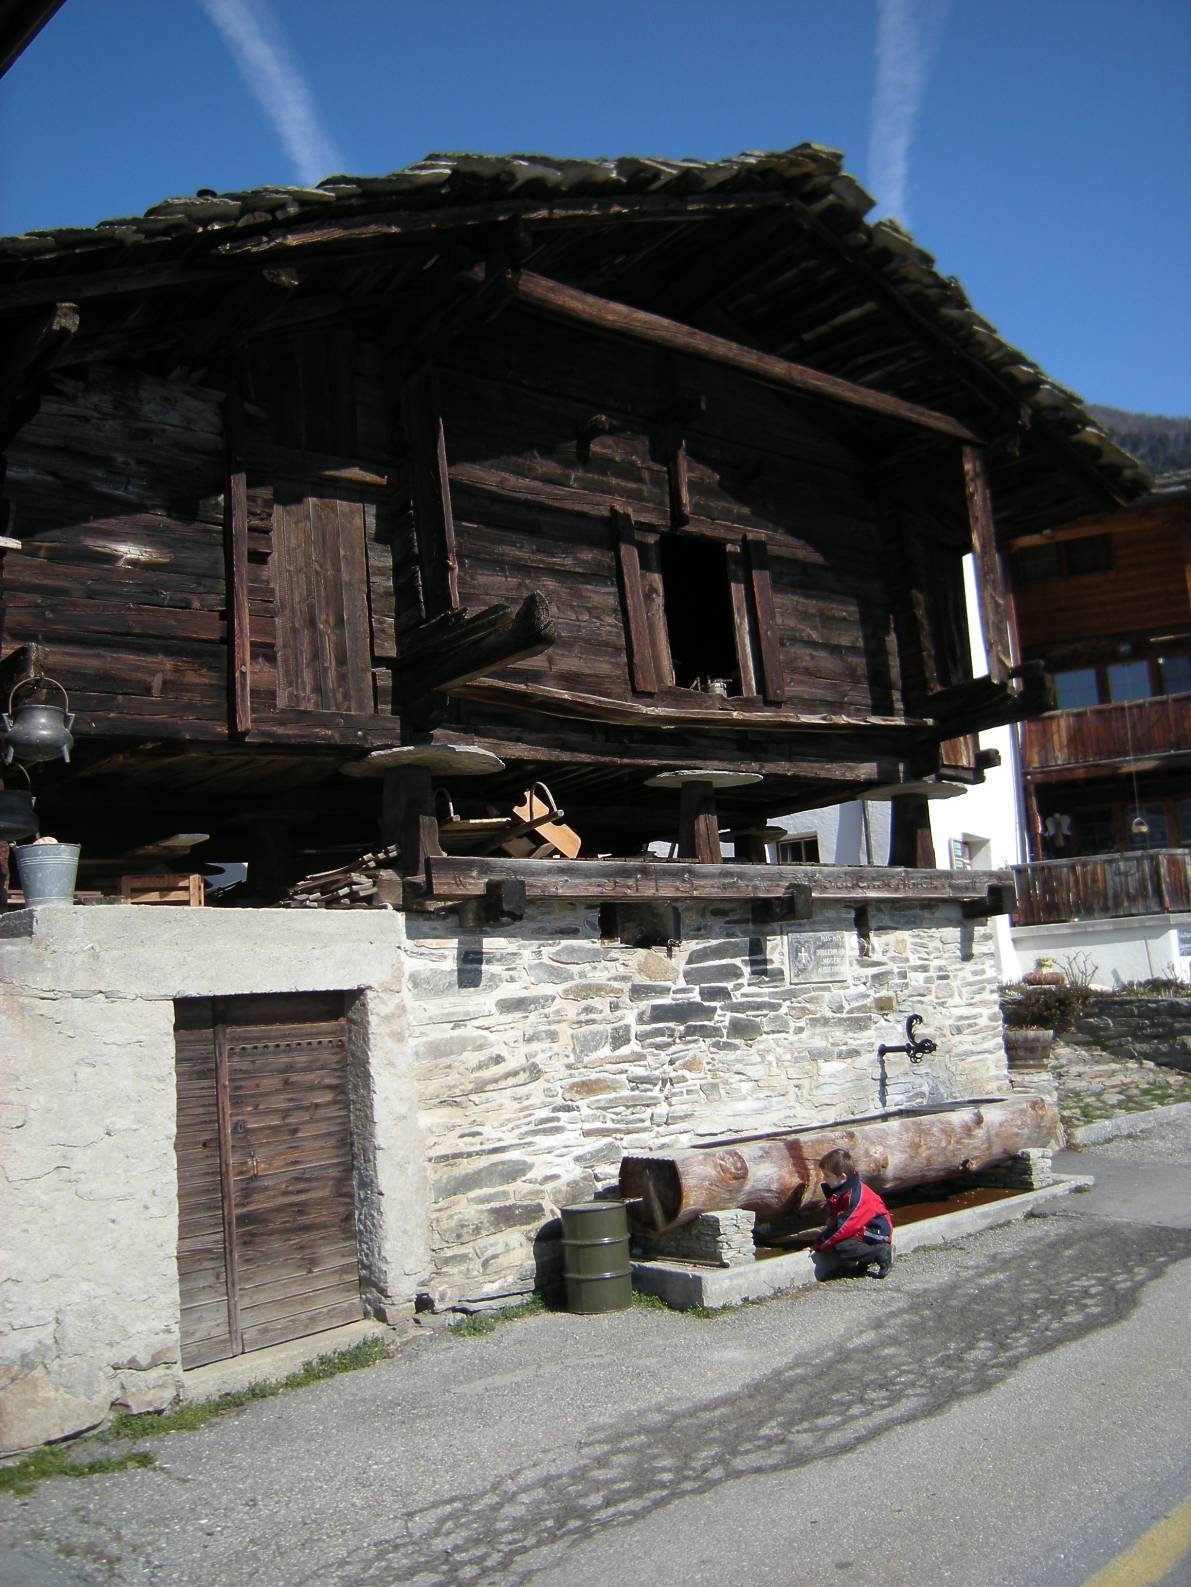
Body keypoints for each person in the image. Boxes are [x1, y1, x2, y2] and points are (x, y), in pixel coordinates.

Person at [810, 1147, 894, 1279]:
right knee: (838, 1241)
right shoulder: (844, 1189)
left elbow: (843, 1227)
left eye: (827, 1176)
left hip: (877, 1232)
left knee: (842, 1246)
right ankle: (861, 1262)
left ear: (842, 1177)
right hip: (864, 1227)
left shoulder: (856, 1197)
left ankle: (880, 1252)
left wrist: (818, 1245)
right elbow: (840, 1214)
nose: (825, 1179)